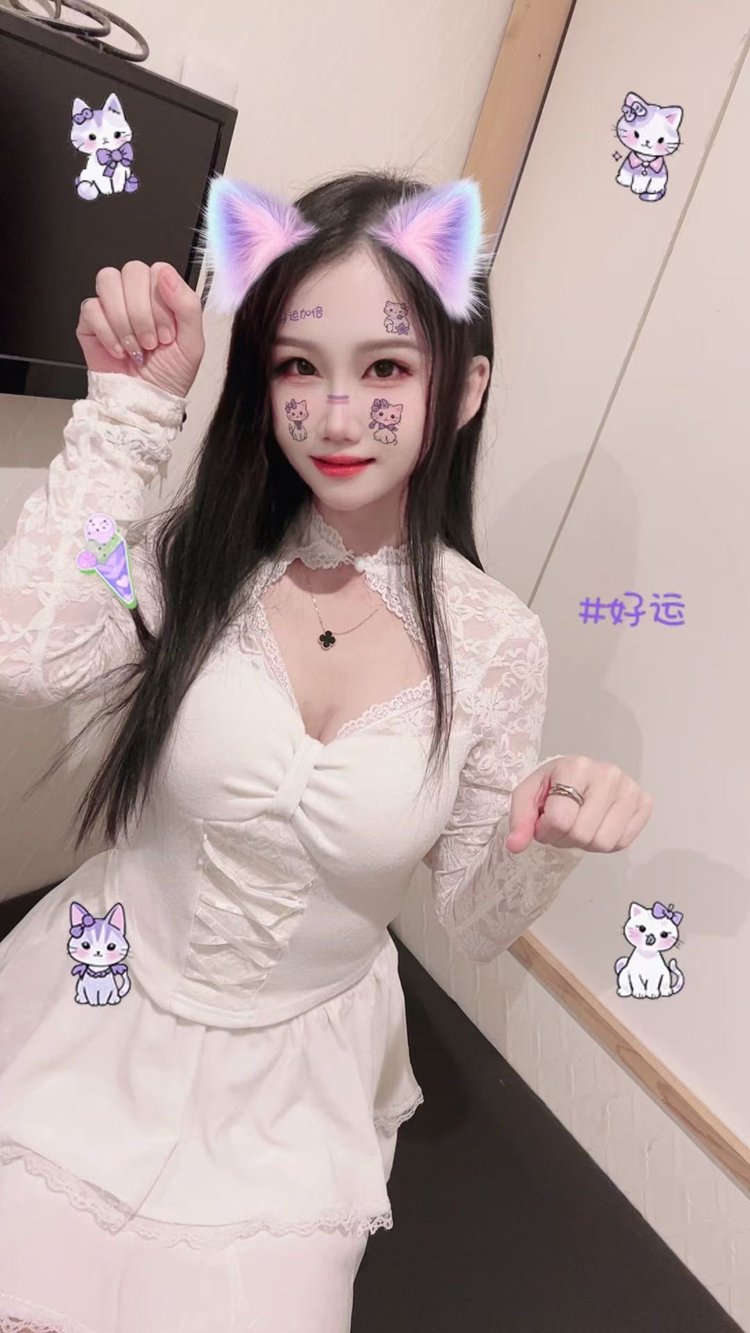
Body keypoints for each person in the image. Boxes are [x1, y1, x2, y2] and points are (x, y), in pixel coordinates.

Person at [0, 171, 653, 1333]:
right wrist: (129, 411)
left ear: (465, 388)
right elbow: (29, 653)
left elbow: (474, 917)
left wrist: (544, 831)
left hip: (294, 1092)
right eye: (300, 365)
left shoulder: (497, 644)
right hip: (97, 1003)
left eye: (387, 369)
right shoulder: (186, 560)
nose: (338, 416)